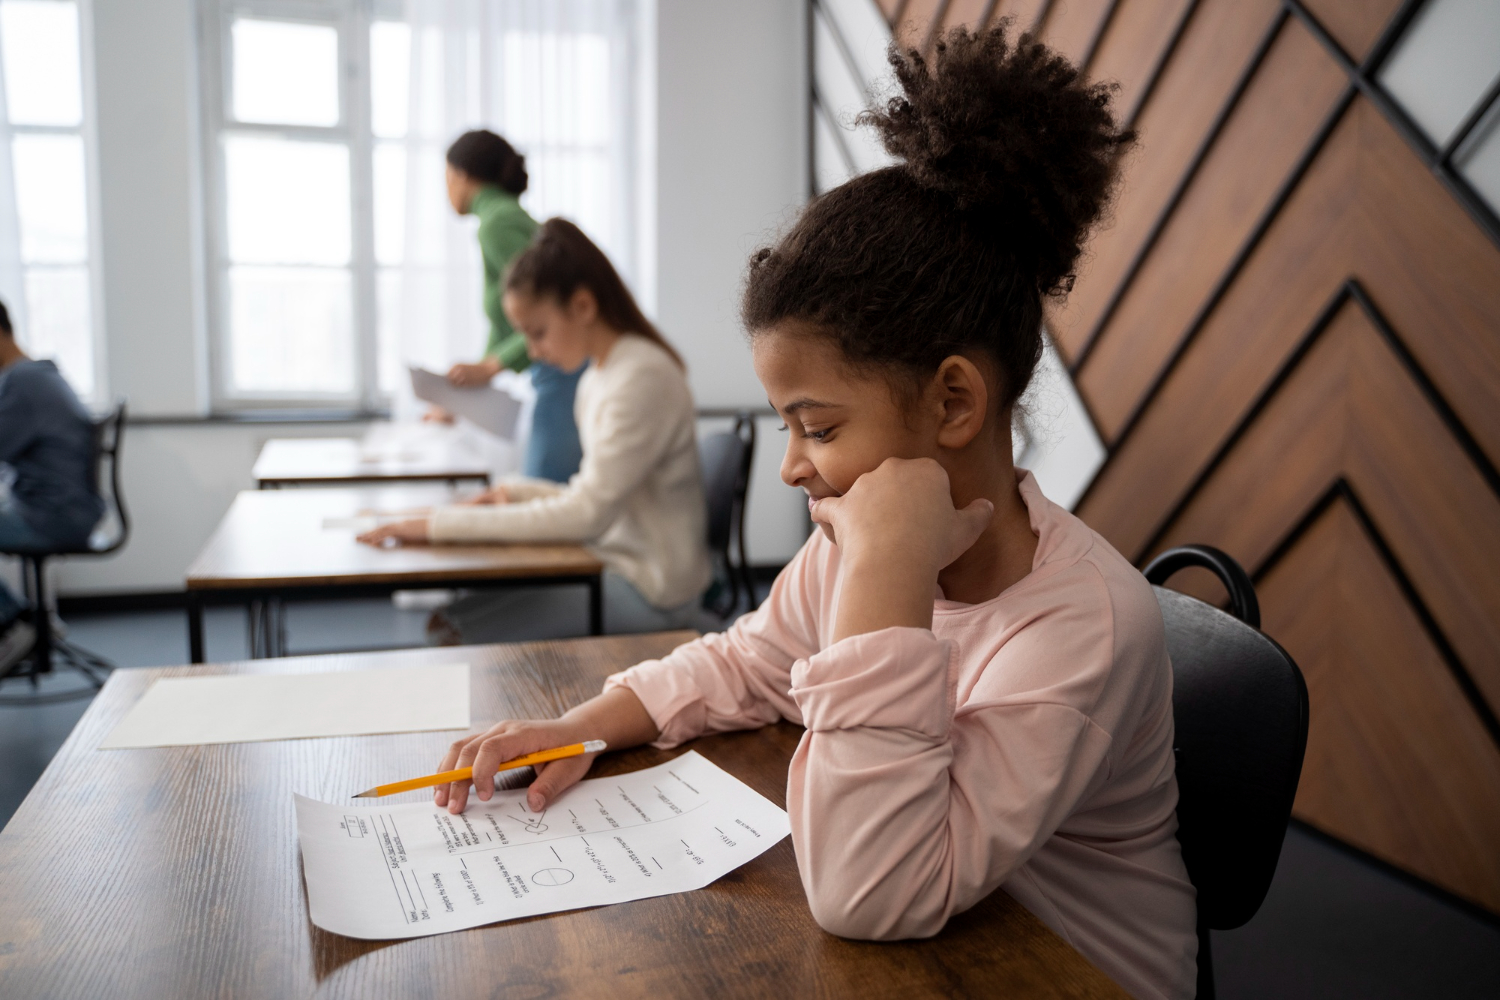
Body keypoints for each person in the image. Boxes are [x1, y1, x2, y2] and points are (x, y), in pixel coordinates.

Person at [419, 26, 1197, 1000]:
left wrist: (884, 575)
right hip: (948, 947)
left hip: (1064, 971)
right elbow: (747, 660)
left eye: (817, 426)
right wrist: (582, 725)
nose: (791, 467)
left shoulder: (1078, 625)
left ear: (955, 403)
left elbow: (872, 890)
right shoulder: (854, 547)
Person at [359, 218, 712, 638]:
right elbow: (592, 495)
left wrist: (436, 524)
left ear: (582, 306)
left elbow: (586, 515)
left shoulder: (640, 376)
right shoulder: (599, 375)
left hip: (652, 590)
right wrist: (513, 492)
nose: (531, 351)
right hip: (618, 563)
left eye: (538, 332)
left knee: (449, 629)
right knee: (451, 620)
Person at [440, 129, 584, 483]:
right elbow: (505, 322)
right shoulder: (504, 217)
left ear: (461, 175)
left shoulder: (496, 224)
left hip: (561, 372)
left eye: (445, 177)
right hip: (554, 372)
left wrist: (489, 368)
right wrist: (468, 388)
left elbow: (547, 313)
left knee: (542, 489)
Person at [0, 300, 105, 672]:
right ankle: (30, 622)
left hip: (54, 516)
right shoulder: (38, 375)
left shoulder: (22, 383)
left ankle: (14, 622)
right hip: (66, 509)